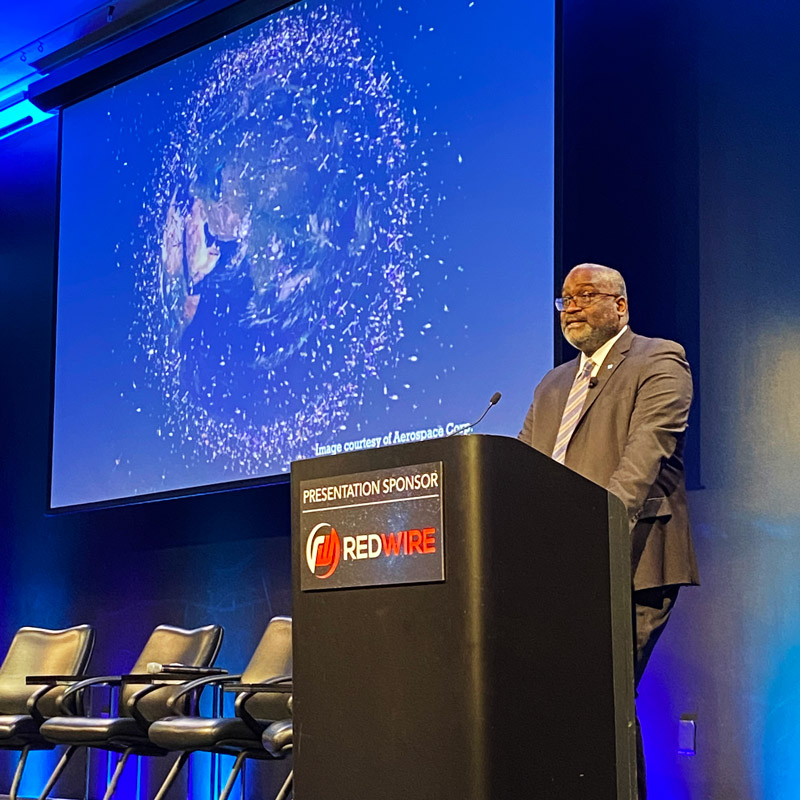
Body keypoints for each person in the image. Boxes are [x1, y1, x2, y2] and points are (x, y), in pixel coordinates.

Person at [518, 263, 699, 799]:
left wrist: (589, 538)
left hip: (630, 559)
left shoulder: (659, 359)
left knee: (603, 695)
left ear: (620, 305)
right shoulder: (553, 383)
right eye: (564, 299)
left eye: (584, 295)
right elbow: (525, 471)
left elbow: (643, 459)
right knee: (566, 700)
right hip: (557, 571)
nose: (569, 306)